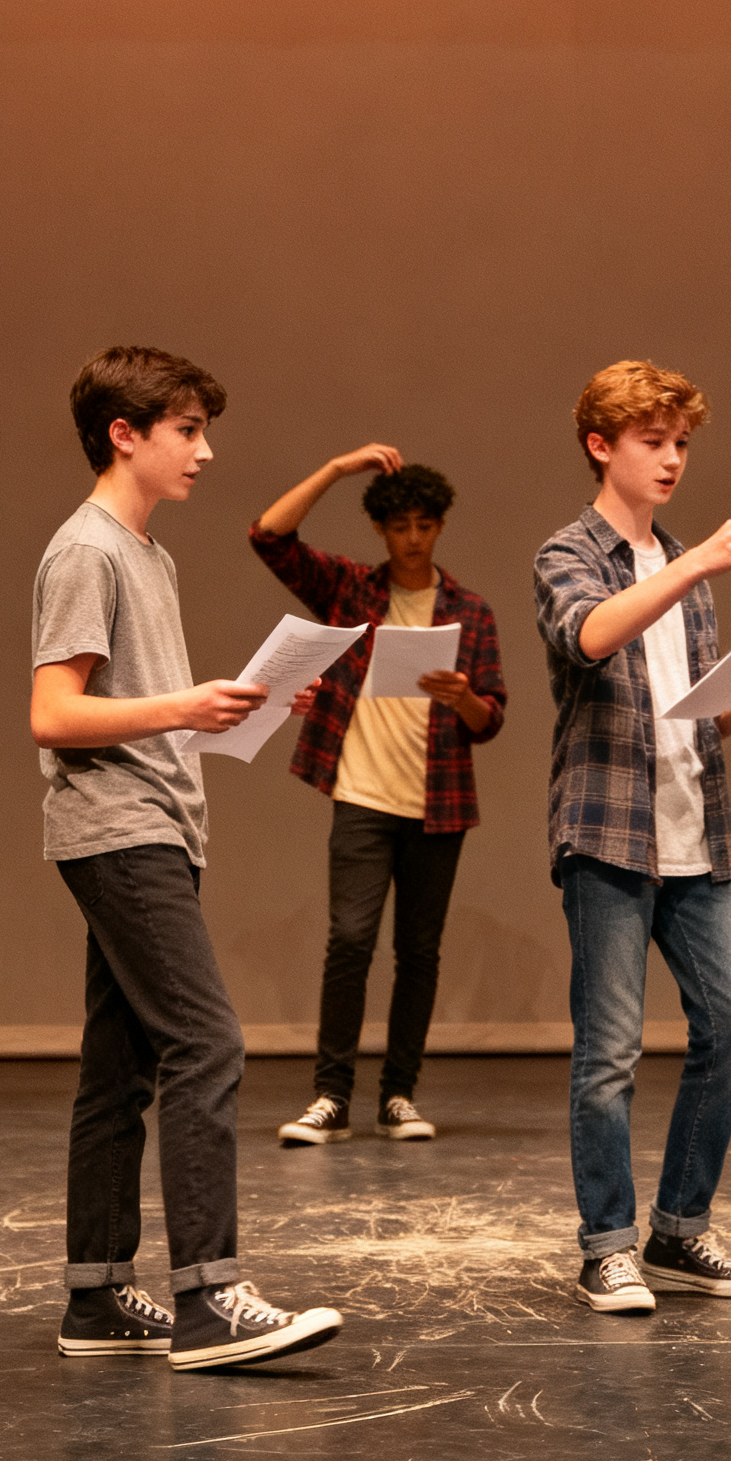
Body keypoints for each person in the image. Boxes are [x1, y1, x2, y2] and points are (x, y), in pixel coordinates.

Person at [31, 345, 342, 1370]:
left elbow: (134, 713)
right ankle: (209, 1296)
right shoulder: (87, 551)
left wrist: (228, 712)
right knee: (206, 1043)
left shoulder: (148, 555)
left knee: (119, 1067)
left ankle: (96, 1294)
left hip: (157, 816)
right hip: (119, 829)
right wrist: (184, 704)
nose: (205, 450)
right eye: (187, 428)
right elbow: (55, 712)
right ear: (126, 433)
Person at [534, 359, 731, 1314]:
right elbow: (590, 636)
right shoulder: (569, 554)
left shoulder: (687, 570)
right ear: (603, 446)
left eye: (682, 442)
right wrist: (690, 563)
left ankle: (679, 1229)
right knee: (608, 1051)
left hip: (695, 833)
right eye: (654, 441)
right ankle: (605, 1244)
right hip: (607, 833)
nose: (673, 458)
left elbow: (682, 717)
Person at [250, 448, 506, 1146]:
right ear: (382, 531)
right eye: (400, 526)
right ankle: (331, 1095)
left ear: (441, 527)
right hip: (361, 795)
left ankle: (399, 1094)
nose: (414, 538)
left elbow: (493, 720)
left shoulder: (470, 613)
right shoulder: (351, 592)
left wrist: (464, 700)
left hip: (437, 805)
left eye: (425, 525)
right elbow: (269, 536)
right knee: (350, 941)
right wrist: (334, 470)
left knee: (419, 952)